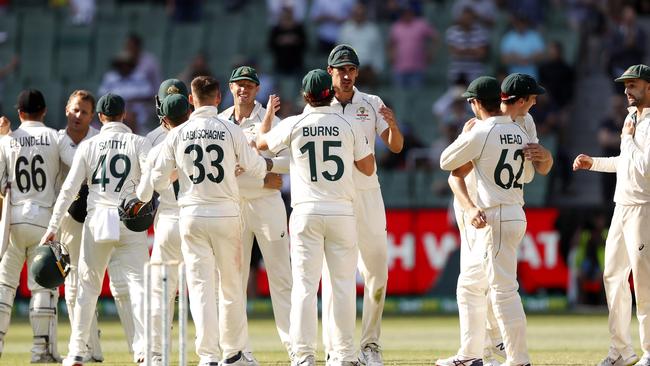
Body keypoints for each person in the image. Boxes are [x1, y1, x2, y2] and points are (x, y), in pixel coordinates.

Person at [256, 69, 375, 366]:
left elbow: (260, 144)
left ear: (305, 95)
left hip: (306, 210)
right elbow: (369, 168)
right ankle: (345, 355)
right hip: (341, 211)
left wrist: (269, 114)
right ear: (330, 93)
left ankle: (304, 356)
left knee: (305, 287)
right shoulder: (348, 123)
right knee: (344, 286)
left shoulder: (295, 123)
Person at [150, 76, 269, 366]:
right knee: (230, 288)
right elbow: (256, 169)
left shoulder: (177, 133)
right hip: (226, 214)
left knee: (200, 288)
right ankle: (234, 352)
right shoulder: (230, 129)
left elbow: (157, 179)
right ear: (218, 99)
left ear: (191, 100)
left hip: (190, 215)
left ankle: (208, 356)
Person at [40, 93, 152, 366]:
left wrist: (52, 226)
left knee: (86, 288)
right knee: (138, 287)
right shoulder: (139, 142)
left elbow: (68, 190)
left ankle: (78, 350)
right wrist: (141, 201)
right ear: (123, 115)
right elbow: (154, 177)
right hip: (128, 220)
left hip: (97, 219)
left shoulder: (89, 146)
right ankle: (143, 350)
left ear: (100, 117)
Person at [438, 75, 542, 366]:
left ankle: (518, 359)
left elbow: (446, 161)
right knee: (470, 285)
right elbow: (529, 175)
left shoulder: (480, 132)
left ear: (475, 103)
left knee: (503, 290)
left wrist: (467, 135)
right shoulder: (520, 132)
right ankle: (470, 355)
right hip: (511, 212)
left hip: (493, 216)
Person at [320, 44, 403, 366]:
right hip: (334, 197)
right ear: (330, 72)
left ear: (357, 72)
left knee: (377, 271)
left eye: (351, 69)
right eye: (340, 69)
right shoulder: (319, 105)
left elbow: (395, 147)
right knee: (334, 275)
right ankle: (334, 347)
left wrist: (394, 127)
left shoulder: (371, 103)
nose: (346, 75)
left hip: (368, 193)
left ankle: (370, 344)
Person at [573, 64, 650, 366]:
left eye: (633, 85)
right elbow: (626, 163)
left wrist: (629, 138)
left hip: (644, 207)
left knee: (643, 282)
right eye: (625, 86)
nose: (627, 91)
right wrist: (594, 162)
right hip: (622, 206)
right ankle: (621, 350)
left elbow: (645, 169)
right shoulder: (632, 118)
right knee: (612, 275)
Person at [217, 66, 293, 362]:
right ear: (230, 87)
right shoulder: (220, 121)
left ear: (257, 89)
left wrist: (270, 168)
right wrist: (259, 175)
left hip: (267, 203)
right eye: (238, 85)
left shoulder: (271, 120)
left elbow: (293, 159)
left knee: (281, 277)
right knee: (233, 280)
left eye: (249, 85)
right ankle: (239, 351)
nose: (243, 90)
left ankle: (296, 349)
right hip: (233, 205)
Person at [0, 89, 63, 363]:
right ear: (44, 111)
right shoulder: (55, 137)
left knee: (4, 287)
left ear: (19, 113)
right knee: (43, 287)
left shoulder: (7, 140)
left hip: (12, 222)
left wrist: (2, 139)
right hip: (44, 221)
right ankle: (42, 351)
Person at [138, 79, 190, 365]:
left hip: (169, 218)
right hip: (202, 215)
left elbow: (146, 191)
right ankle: (218, 352)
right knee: (210, 288)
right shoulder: (207, 130)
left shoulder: (153, 141)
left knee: (161, 290)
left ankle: (156, 353)